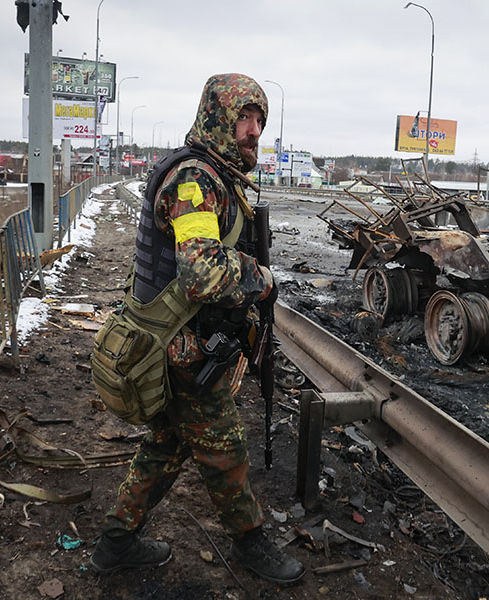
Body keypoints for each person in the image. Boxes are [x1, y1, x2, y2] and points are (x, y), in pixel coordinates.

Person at [90, 73, 304, 584]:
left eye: (260, 121)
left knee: (167, 443)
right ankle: (253, 543)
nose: (254, 130)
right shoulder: (195, 180)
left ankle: (114, 544)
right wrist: (264, 278)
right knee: (224, 447)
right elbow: (203, 270)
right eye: (244, 119)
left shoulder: (217, 175)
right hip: (177, 346)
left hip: (178, 340)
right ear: (218, 119)